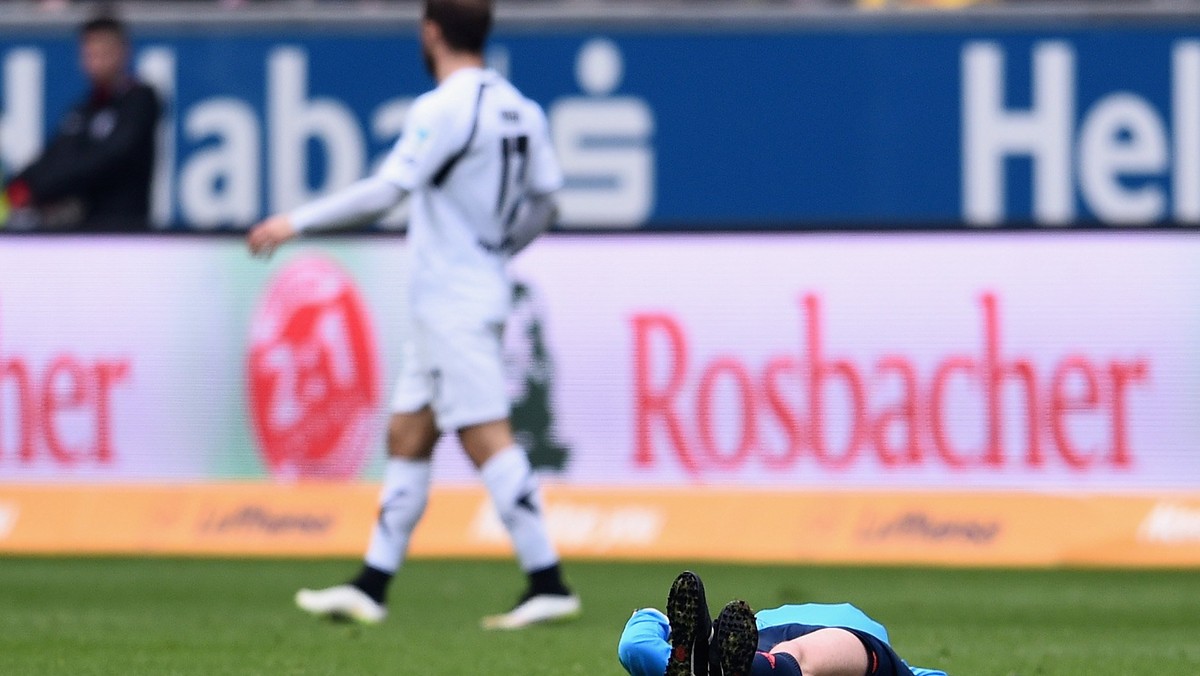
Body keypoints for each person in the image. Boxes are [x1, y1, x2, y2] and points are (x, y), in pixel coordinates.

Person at [246, 0, 579, 630]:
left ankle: (548, 579)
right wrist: (500, 247)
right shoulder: (521, 108)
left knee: (484, 433)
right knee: (408, 433)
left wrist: (296, 221)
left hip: (452, 298)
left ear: (431, 32)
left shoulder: (443, 106)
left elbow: (387, 190)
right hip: (464, 291)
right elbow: (548, 202)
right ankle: (372, 584)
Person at [618, 571, 949, 676]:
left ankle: (728, 660)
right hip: (773, 646)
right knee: (799, 656)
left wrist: (652, 618)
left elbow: (636, 638)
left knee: (640, 649)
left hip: (757, 641)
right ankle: (753, 666)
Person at [3, 15, 160, 231]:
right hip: (84, 230)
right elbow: (54, 156)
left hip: (125, 231)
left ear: (123, 52)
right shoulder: (83, 110)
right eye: (90, 54)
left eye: (103, 53)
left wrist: (39, 189)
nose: (96, 62)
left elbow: (105, 158)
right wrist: (16, 188)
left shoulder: (140, 101)